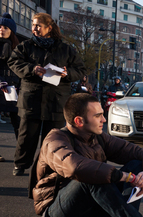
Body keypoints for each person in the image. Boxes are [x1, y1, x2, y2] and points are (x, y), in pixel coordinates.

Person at [8, 12, 86, 176]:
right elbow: (13, 62)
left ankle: (50, 167)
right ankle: (21, 164)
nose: (34, 28)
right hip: (31, 99)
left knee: (54, 139)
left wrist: (67, 73)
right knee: (26, 136)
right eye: (33, 24)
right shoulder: (25, 46)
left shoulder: (65, 49)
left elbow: (80, 70)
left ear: (49, 28)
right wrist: (31, 69)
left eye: (38, 25)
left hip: (56, 101)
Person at [0, 13, 20, 162]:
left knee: (18, 123)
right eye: (0, 27)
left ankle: (21, 155)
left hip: (13, 89)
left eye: (5, 27)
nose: (1, 29)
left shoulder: (17, 48)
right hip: (1, 86)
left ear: (11, 30)